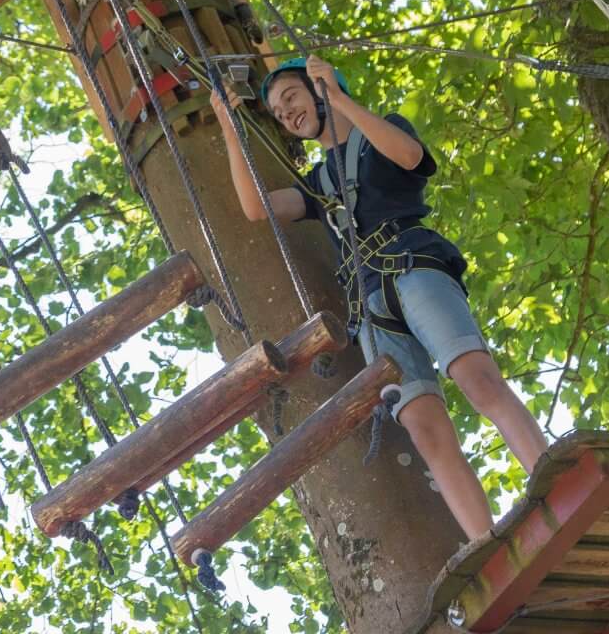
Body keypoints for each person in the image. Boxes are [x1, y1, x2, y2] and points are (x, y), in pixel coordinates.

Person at [210, 54, 548, 543]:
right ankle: (485, 542)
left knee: (475, 379)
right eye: (280, 114)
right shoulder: (319, 183)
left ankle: (544, 474)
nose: (288, 114)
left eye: (293, 99)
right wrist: (226, 123)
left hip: (412, 264)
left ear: (319, 89)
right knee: (423, 426)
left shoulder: (379, 133)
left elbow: (411, 157)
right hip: (370, 306)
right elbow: (257, 208)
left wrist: (341, 97)